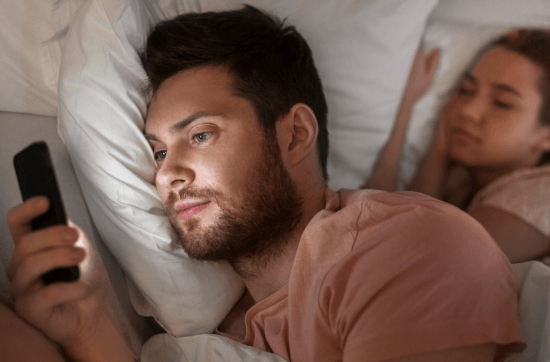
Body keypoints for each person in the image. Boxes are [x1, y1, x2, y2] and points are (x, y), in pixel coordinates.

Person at [4, 6, 525, 362]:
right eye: (159, 151)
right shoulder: (225, 329)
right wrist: (88, 325)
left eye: (201, 135)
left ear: (295, 133)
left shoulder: (408, 250)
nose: (166, 174)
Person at [365, 29, 550, 264]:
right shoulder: (466, 186)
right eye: (466, 90)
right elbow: (406, 220)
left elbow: (399, 257)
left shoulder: (543, 195)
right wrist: (440, 148)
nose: (467, 111)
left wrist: (405, 110)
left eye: (502, 103)